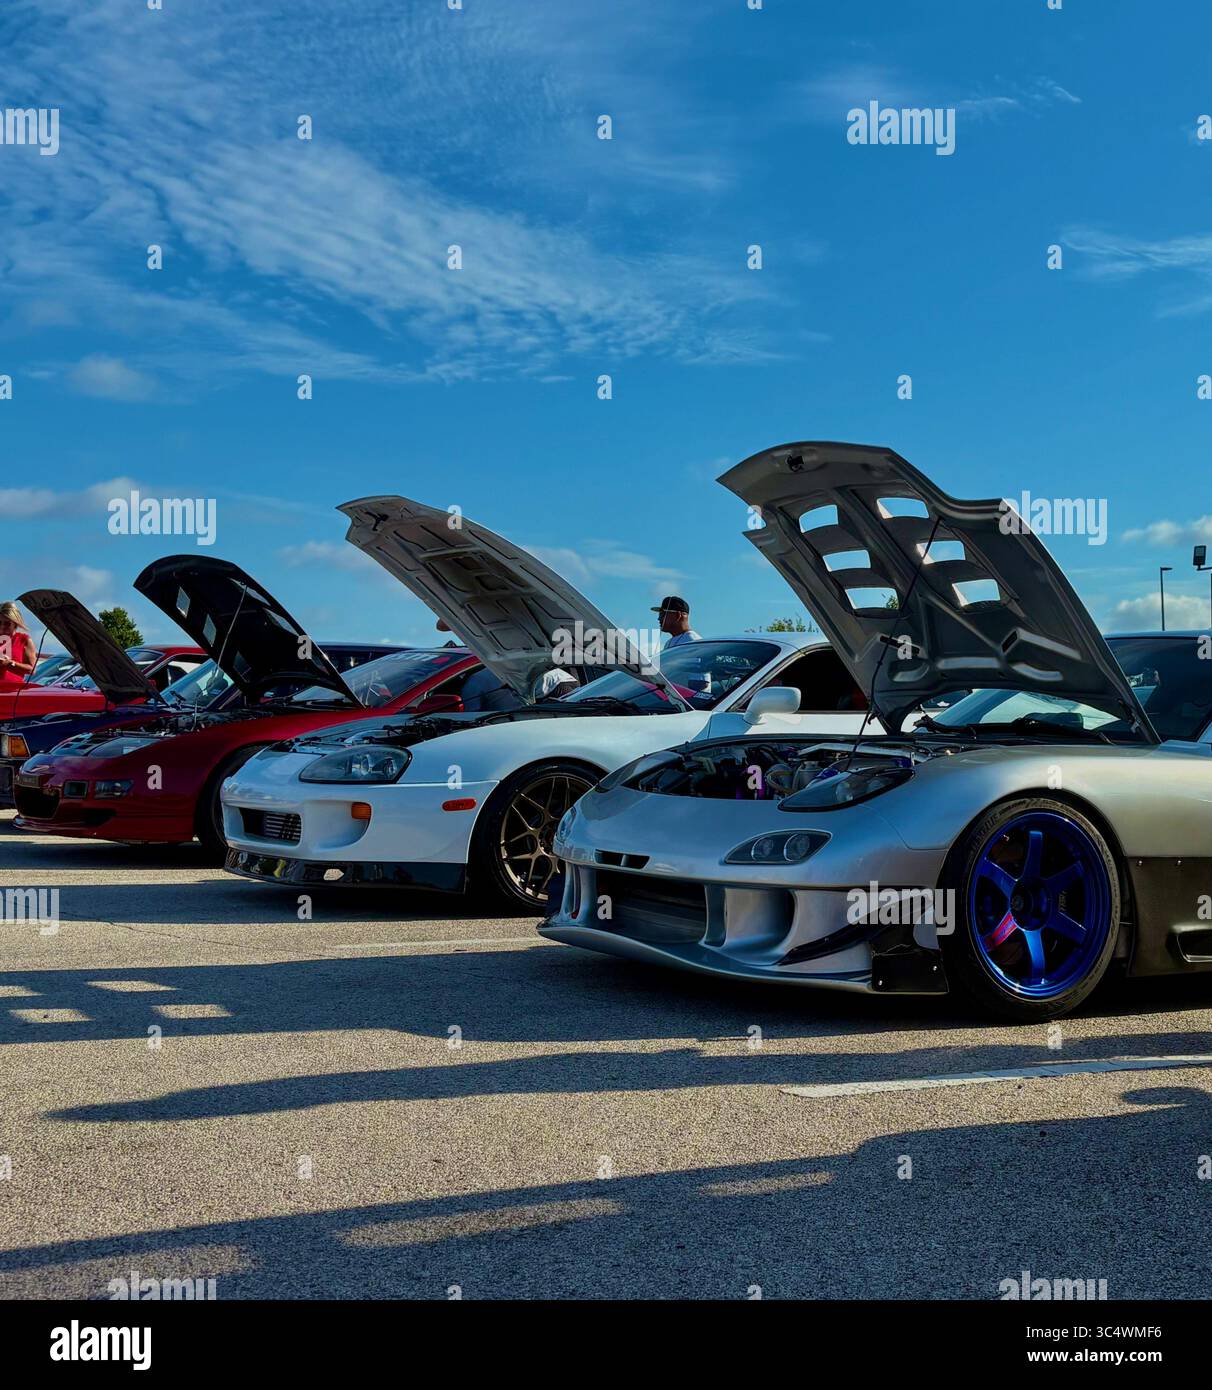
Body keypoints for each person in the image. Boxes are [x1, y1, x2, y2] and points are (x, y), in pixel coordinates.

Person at [0, 601, 37, 690]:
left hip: (14, 693)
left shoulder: (24, 640)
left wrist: (10, 663)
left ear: (15, 624)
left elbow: (32, 670)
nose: (2, 626)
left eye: (7, 623)